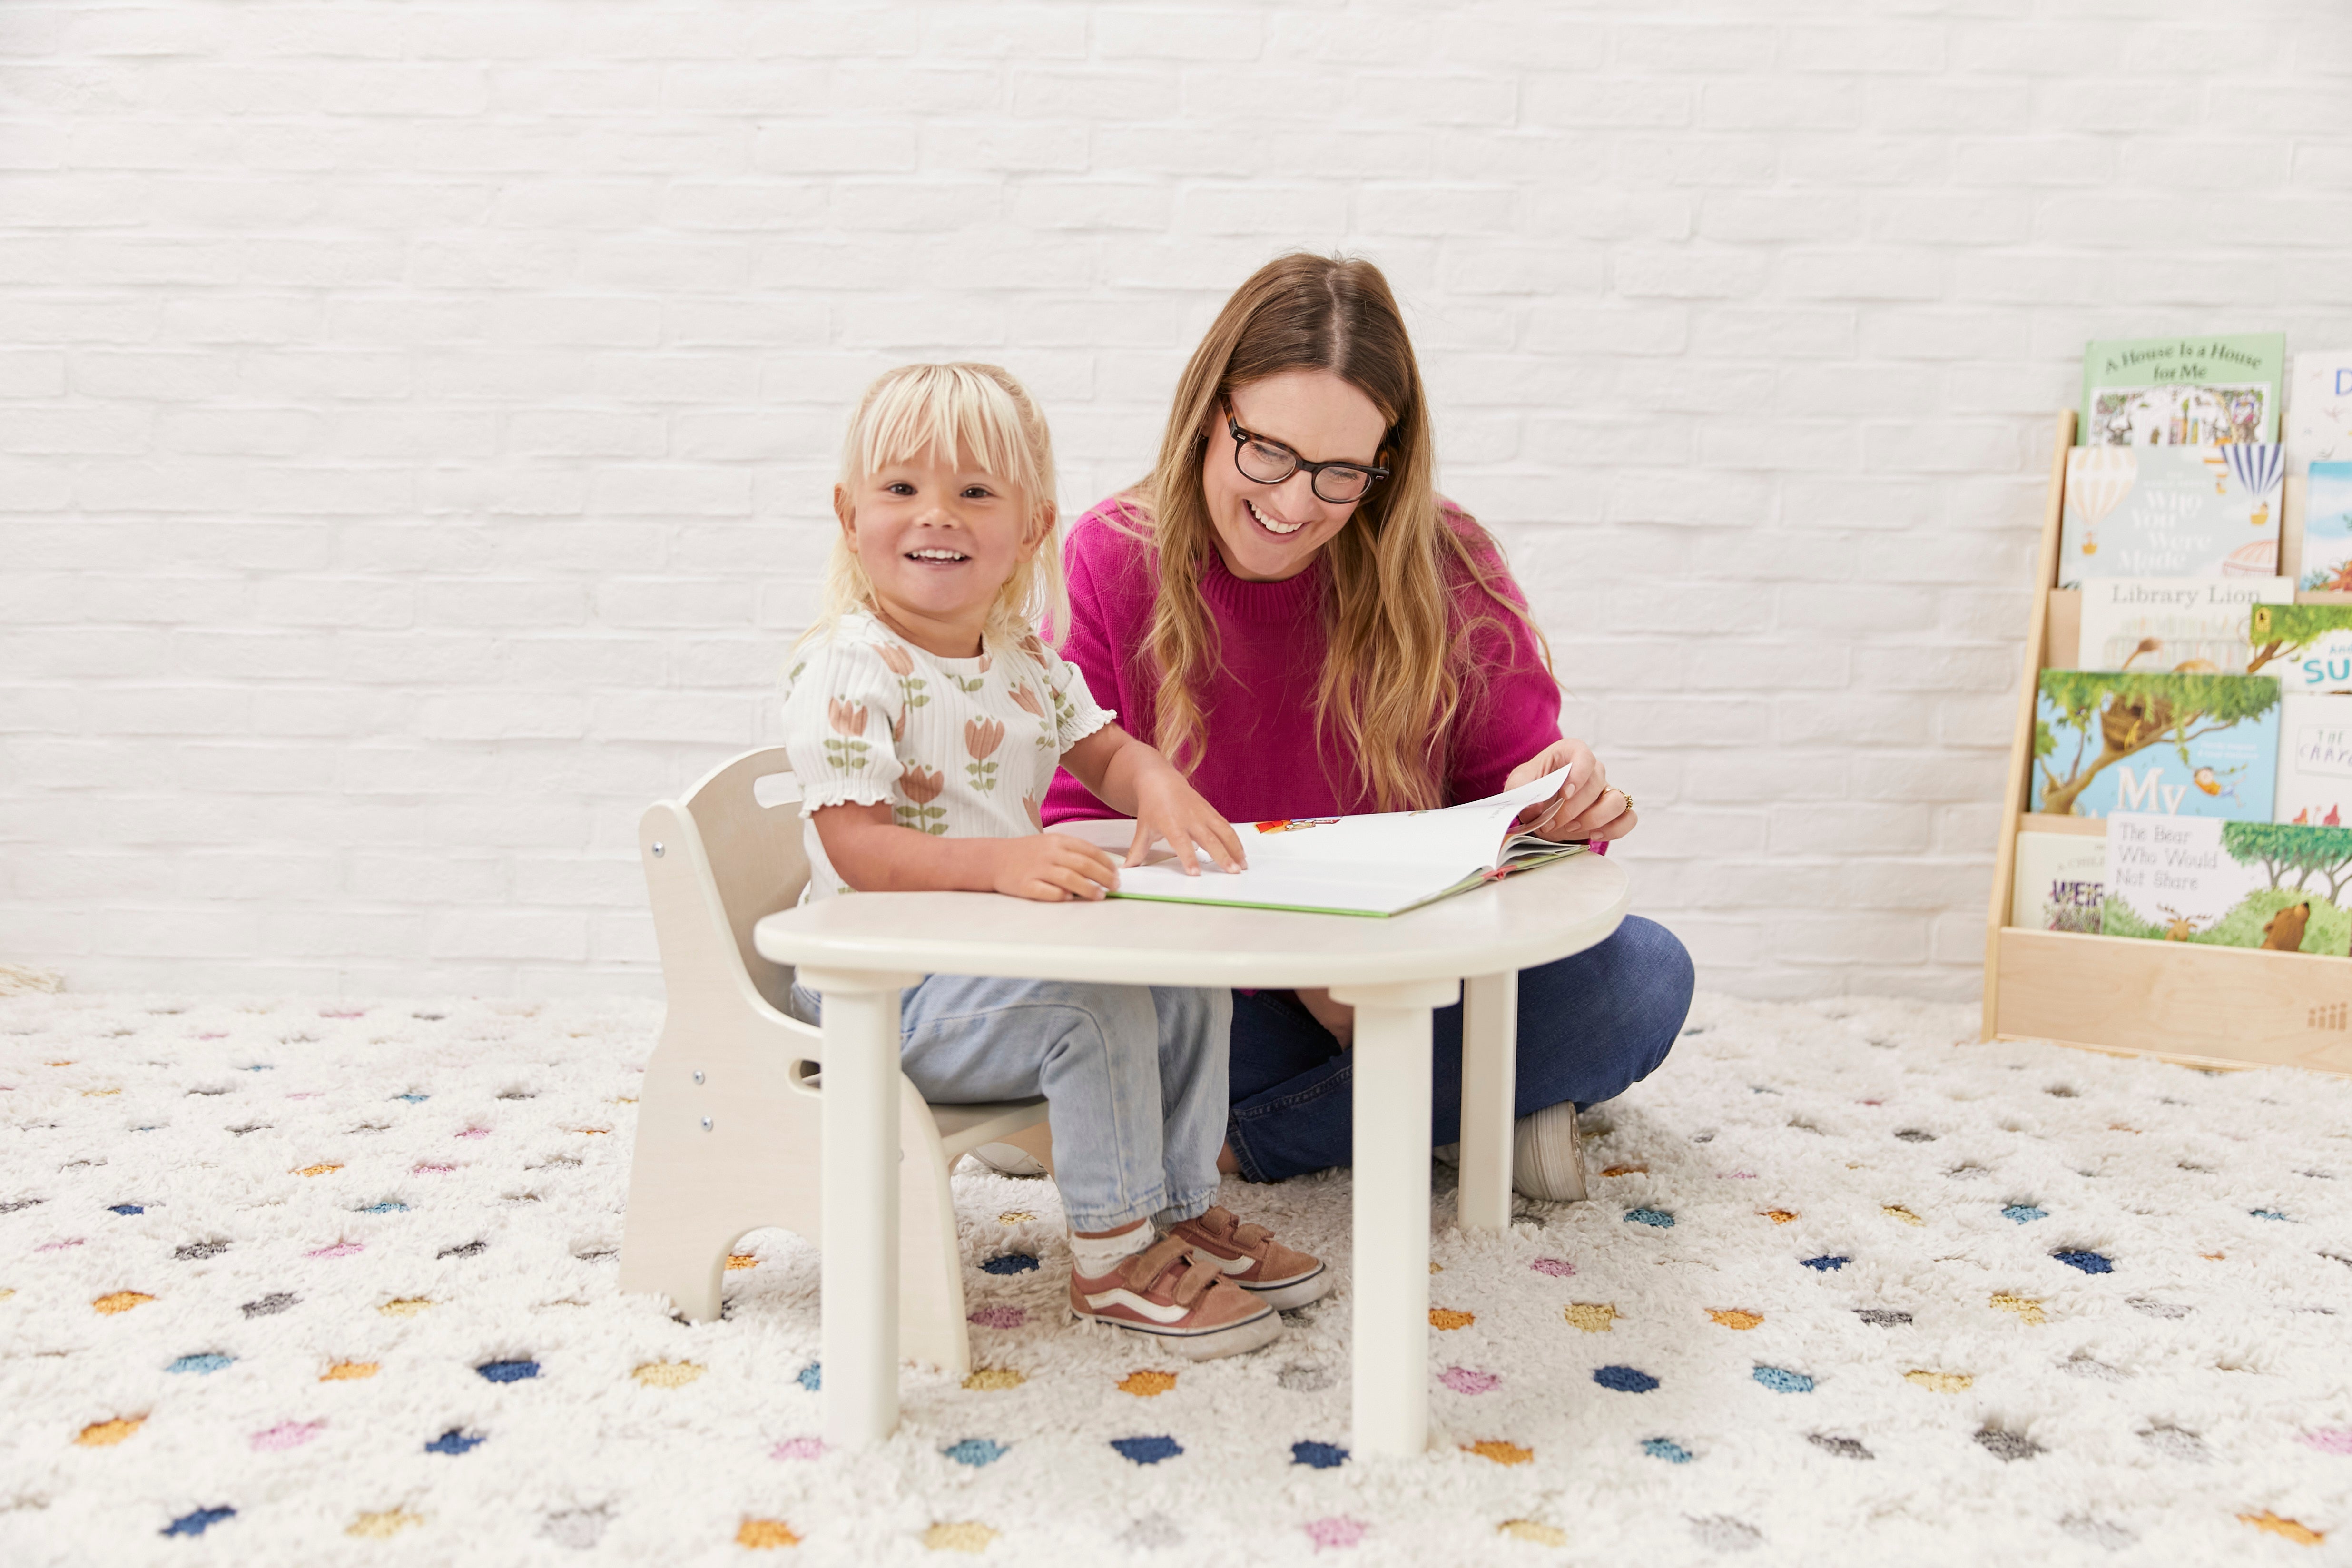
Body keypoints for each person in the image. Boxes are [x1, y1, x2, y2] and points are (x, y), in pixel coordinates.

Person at [1043, 256, 1695, 1199]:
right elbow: (1074, 836)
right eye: (1266, 451)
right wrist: (1294, 952)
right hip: (1219, 990)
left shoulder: (1444, 557)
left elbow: (1515, 803)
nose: (1297, 503)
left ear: (1386, 465)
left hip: (1411, 972)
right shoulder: (1111, 556)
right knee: (1102, 1018)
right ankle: (1470, 1110)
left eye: (1342, 471)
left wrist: (1557, 797)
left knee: (1641, 980)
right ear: (1208, 414)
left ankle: (1242, 1140)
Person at [778, 362, 1327, 1360]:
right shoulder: (851, 667)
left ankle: (1175, 1208)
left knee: (1185, 983)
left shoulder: (1022, 658)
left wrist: (1154, 779)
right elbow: (854, 845)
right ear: (849, 514)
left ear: (1031, 528)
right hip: (884, 991)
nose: (934, 515)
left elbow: (1105, 749)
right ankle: (1113, 1254)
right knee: (1094, 1007)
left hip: (980, 970)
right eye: (900, 489)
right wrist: (1002, 863)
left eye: (974, 492)